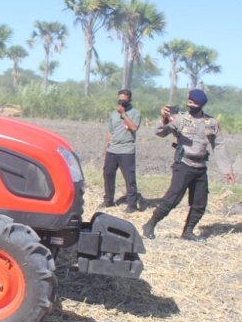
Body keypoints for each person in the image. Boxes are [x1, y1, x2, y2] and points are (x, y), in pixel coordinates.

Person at [142, 89, 236, 241]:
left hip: (200, 167)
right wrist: (163, 119)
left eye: (193, 103)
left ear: (201, 104)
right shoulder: (179, 119)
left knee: (200, 203)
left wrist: (227, 169)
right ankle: (150, 224)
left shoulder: (211, 123)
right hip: (184, 165)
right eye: (189, 102)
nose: (190, 105)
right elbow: (160, 132)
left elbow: (219, 146)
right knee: (172, 199)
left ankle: (188, 232)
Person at [101, 89, 142, 213]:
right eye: (120, 99)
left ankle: (132, 204)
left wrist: (124, 114)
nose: (121, 101)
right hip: (113, 149)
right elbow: (110, 132)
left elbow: (134, 128)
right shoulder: (113, 114)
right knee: (108, 174)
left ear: (129, 100)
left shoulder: (135, 113)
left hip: (126, 150)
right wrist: (106, 149)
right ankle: (108, 200)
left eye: (124, 99)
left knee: (129, 178)